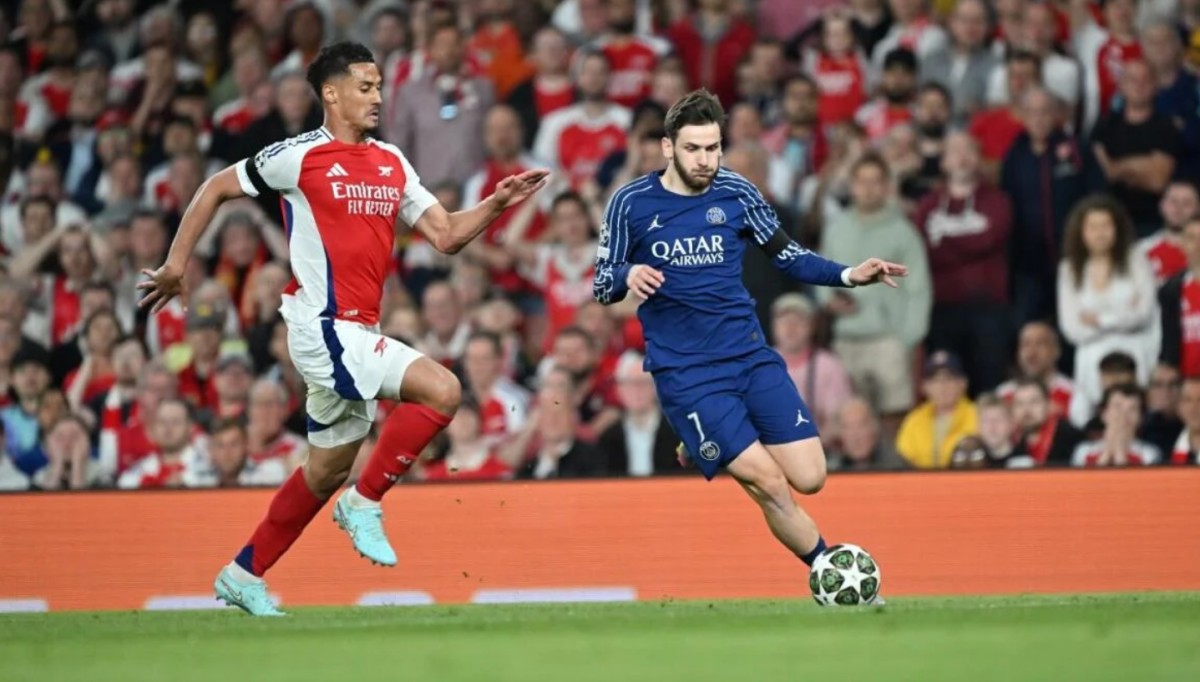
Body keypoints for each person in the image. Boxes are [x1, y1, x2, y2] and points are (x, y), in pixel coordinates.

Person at [136, 42, 548, 617]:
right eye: (365, 86)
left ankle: (242, 573)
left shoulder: (392, 161)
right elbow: (216, 188)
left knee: (324, 470)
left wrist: (496, 204)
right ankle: (365, 501)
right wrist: (177, 264)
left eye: (379, 86)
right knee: (444, 390)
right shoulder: (298, 155)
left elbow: (446, 235)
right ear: (331, 93)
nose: (377, 97)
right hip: (321, 327)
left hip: (356, 331)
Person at [592, 89, 905, 603]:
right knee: (769, 483)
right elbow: (602, 284)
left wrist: (850, 274)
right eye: (693, 149)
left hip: (749, 356)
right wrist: (628, 274)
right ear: (668, 148)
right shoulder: (631, 203)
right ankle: (835, 577)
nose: (705, 160)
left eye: (713, 148)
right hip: (688, 375)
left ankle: (703, 439)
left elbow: (788, 255)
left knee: (811, 477)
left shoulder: (736, 191)